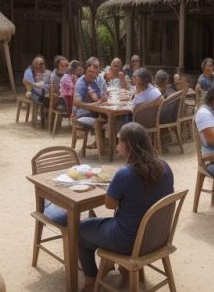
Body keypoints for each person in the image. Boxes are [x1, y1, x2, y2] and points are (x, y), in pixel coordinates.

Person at [78, 122, 174, 291]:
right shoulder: (164, 166)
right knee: (104, 222)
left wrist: (113, 188)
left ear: (127, 144)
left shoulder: (125, 173)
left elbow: (110, 204)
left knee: (82, 229)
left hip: (128, 242)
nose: (117, 146)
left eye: (118, 141)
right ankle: (110, 264)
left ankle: (91, 279)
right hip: (157, 237)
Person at [73, 57, 108, 127]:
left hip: (95, 112)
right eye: (91, 72)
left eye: (97, 69)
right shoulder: (80, 83)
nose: (94, 75)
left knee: (112, 119)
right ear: (86, 70)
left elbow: (99, 97)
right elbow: (76, 103)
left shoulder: (94, 81)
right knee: (107, 123)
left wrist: (104, 97)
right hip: (83, 114)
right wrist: (92, 105)